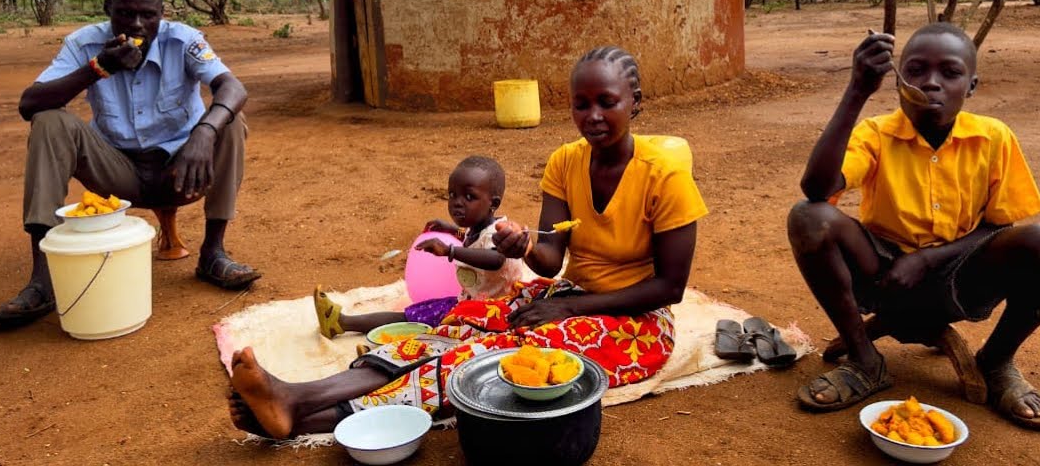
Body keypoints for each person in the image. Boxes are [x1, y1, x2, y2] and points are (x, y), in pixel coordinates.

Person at [226, 45, 707, 439]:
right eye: (581, 104)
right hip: (571, 297)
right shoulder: (564, 162)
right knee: (462, 321)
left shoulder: (664, 176)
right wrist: (521, 248)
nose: (593, 116)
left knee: (507, 353)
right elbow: (549, 260)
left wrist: (566, 311)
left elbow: (669, 287)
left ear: (636, 102)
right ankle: (300, 397)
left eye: (608, 101)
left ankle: (310, 413)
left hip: (635, 322)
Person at [786, 22, 1040, 430]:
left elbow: (1000, 226)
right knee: (808, 216)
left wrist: (928, 259)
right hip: (881, 273)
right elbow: (816, 189)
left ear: (972, 85)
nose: (932, 83)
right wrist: (857, 91)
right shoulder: (875, 134)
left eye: (950, 73)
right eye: (917, 71)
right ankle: (864, 359)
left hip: (962, 273)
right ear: (899, 80)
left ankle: (996, 362)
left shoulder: (993, 138)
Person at [0, 0, 260, 328]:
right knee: (50, 120)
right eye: (126, 13)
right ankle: (43, 281)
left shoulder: (184, 40)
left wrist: (204, 132)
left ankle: (213, 253)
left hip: (183, 169)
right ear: (108, 8)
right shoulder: (84, 43)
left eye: (149, 15)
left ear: (162, 13)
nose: (138, 24)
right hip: (116, 173)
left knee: (231, 121)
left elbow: (233, 88)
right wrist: (98, 68)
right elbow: (28, 104)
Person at [314, 155, 524, 335]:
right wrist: (450, 229)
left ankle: (366, 341)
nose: (457, 202)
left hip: (495, 314)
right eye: (452, 195)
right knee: (413, 314)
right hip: (469, 304)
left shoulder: (501, 232)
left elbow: (496, 258)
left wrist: (450, 251)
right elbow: (471, 238)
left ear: (493, 204)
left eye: (469, 197)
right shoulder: (476, 227)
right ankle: (340, 322)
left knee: (425, 326)